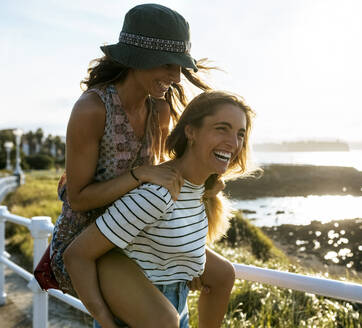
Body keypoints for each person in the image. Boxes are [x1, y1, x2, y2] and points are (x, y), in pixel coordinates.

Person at [49, 4, 235, 327]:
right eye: (167, 64)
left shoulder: (159, 111)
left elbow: (162, 177)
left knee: (222, 275)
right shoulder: (92, 109)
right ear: (137, 57)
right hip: (90, 242)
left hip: (134, 233)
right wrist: (139, 175)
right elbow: (77, 199)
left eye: (179, 66)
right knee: (165, 320)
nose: (176, 77)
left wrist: (185, 256)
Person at [63, 90, 255, 328]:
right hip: (143, 318)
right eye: (221, 128)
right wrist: (104, 321)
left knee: (224, 273)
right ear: (191, 131)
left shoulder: (203, 188)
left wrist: (187, 265)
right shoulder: (158, 193)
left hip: (177, 308)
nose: (233, 143)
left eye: (240, 134)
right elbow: (75, 255)